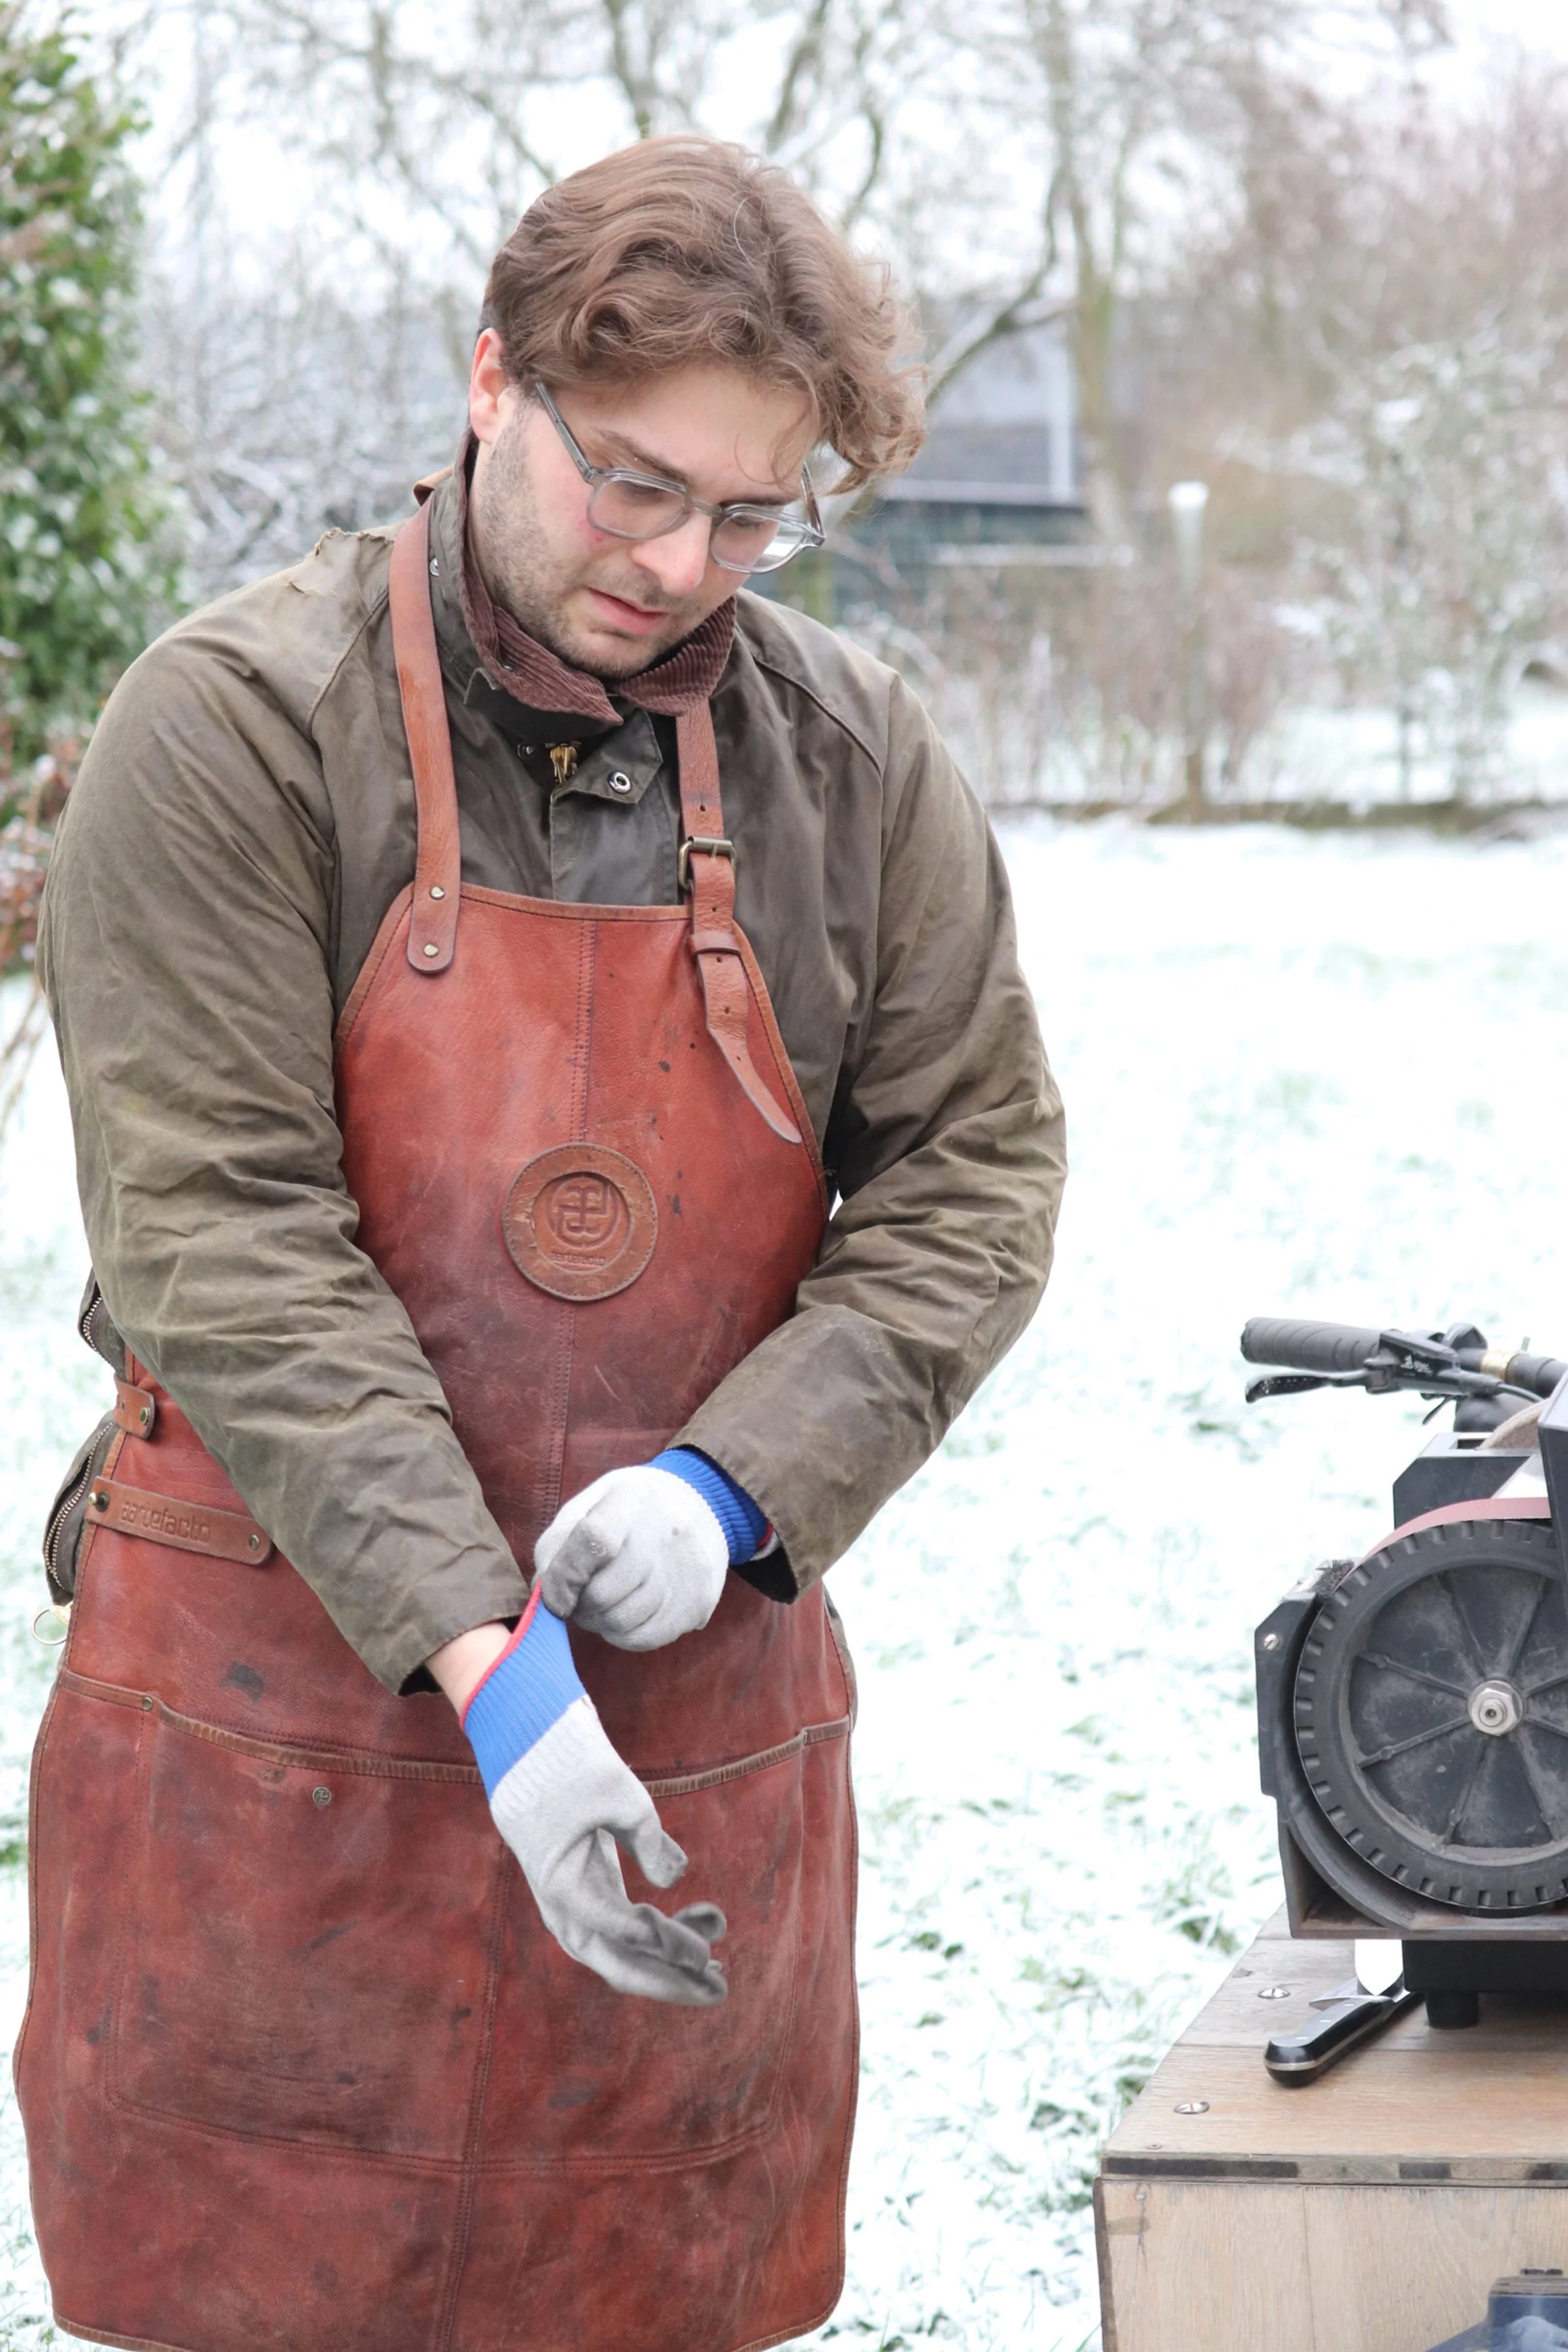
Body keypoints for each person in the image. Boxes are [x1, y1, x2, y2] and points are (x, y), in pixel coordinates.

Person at [23, 135, 1066, 2352]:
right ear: (491, 379)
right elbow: (226, 1239)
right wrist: (488, 1670)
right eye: (633, 485)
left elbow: (976, 1169)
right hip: (268, 1742)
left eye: (751, 512)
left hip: (686, 1728)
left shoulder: (850, 761)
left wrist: (737, 1486)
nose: (684, 563)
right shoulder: (230, 735)